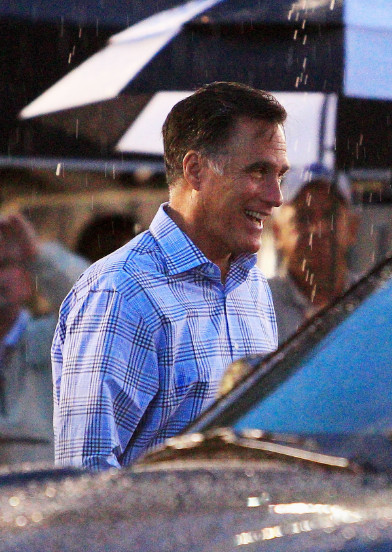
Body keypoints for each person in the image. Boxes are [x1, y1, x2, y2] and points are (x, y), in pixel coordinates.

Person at [52, 82, 289, 470]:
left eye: (279, 175)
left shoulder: (253, 288)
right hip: (158, 532)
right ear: (195, 170)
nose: (276, 196)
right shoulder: (120, 291)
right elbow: (85, 477)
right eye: (258, 171)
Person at [0, 212, 86, 465]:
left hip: (43, 491)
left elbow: (95, 303)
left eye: (3, 265)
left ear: (28, 278)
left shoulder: (52, 340)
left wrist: (37, 252)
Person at [269, 165, 360, 341]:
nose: (318, 229)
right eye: (303, 218)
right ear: (277, 232)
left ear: (352, 229)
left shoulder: (375, 300)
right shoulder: (255, 308)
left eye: (330, 217)